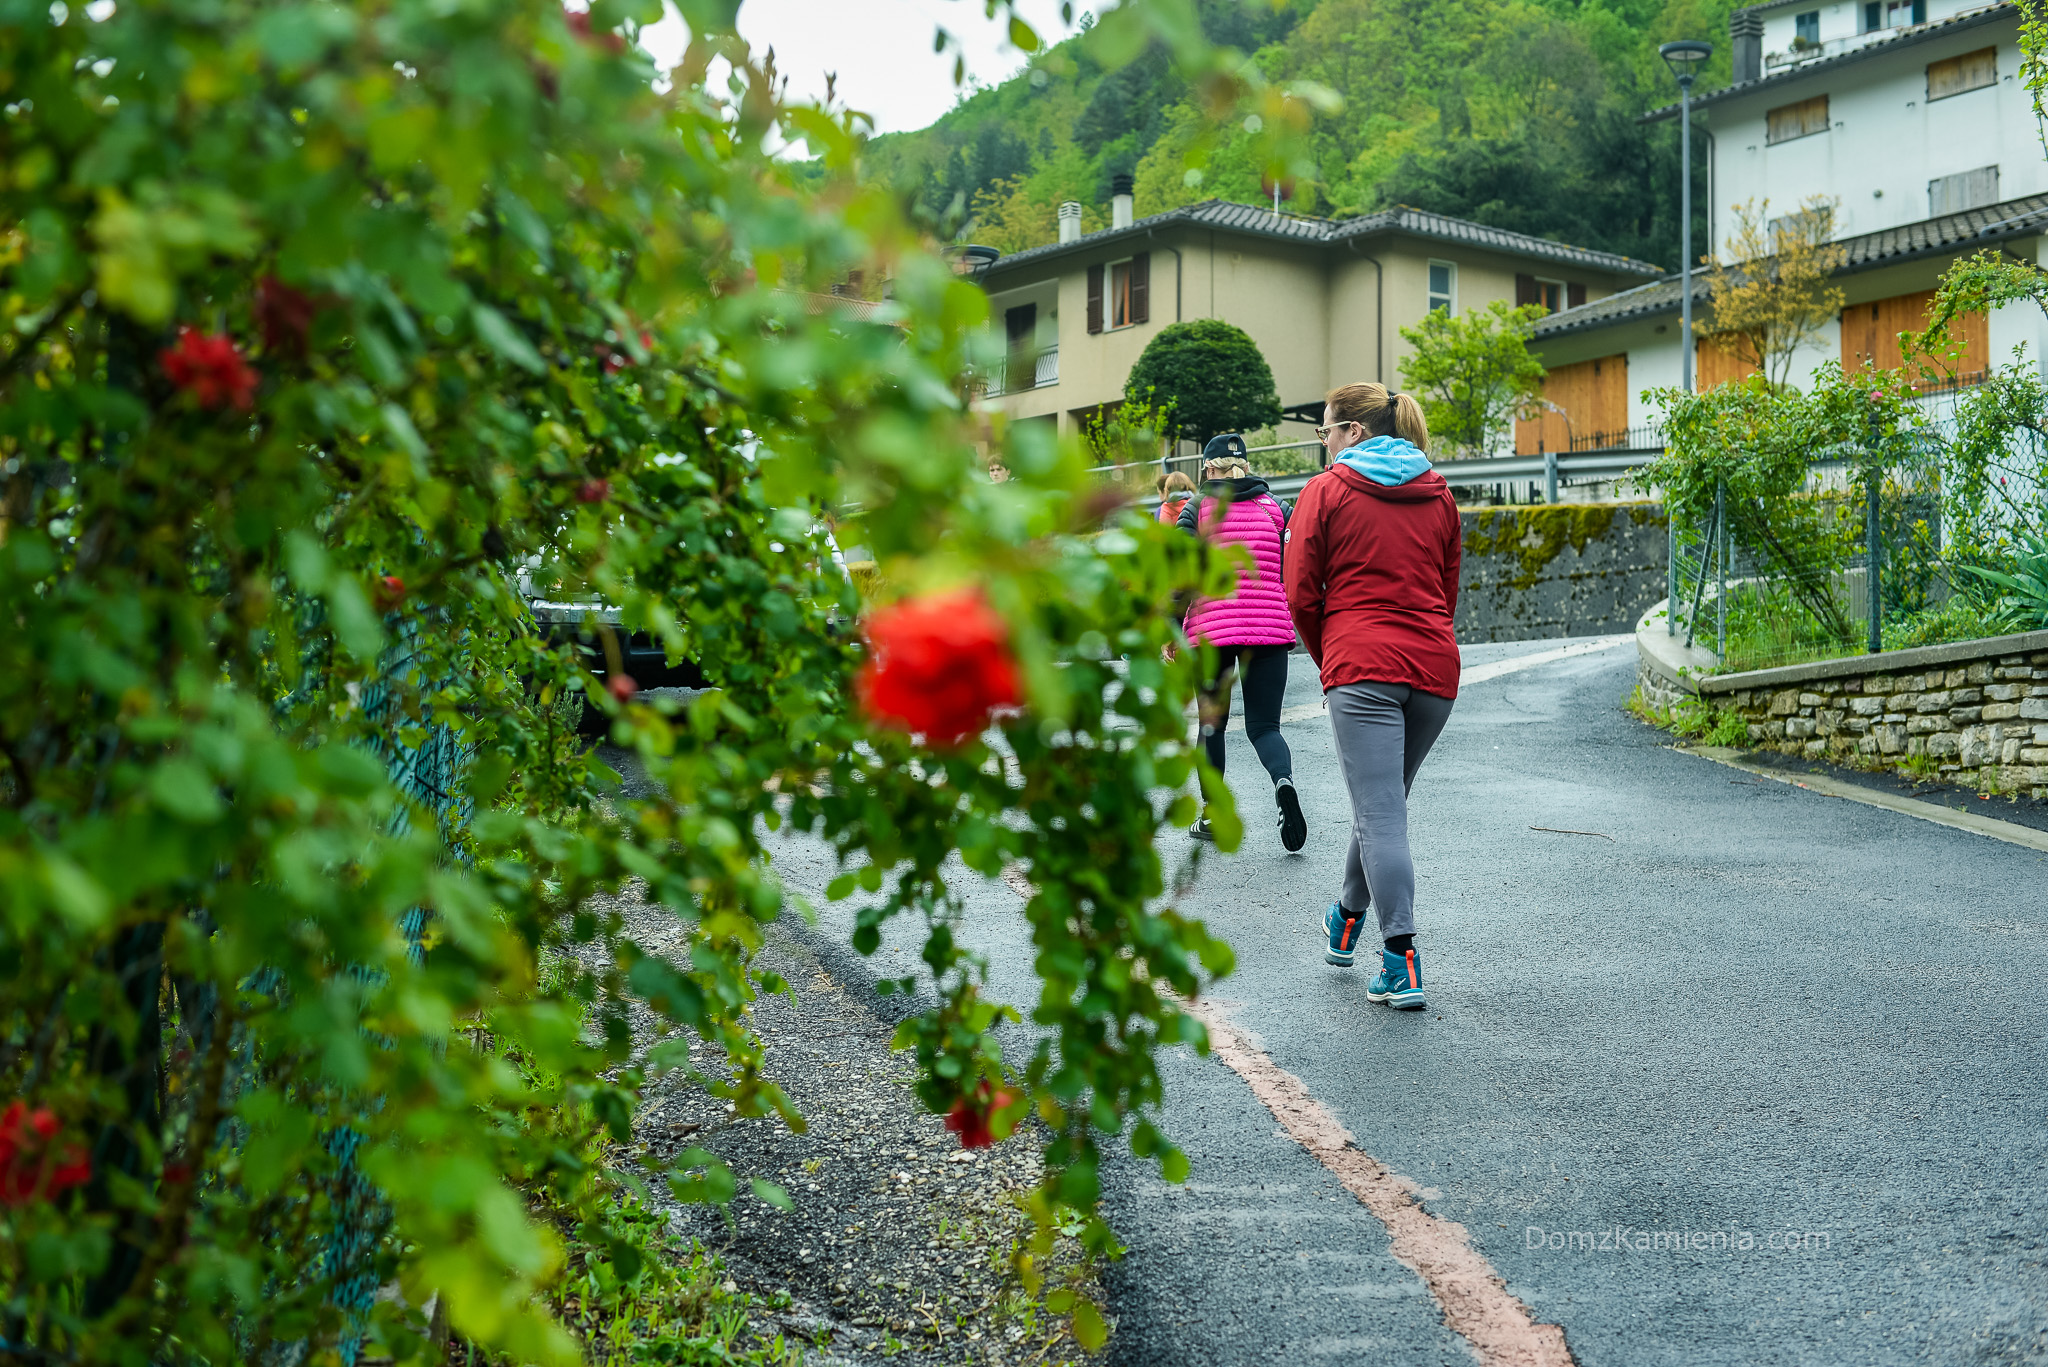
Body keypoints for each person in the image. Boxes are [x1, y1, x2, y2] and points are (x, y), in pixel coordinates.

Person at [1283, 383, 1460, 1011]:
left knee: (1381, 811)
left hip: (1362, 664)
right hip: (1434, 667)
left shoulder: (1325, 492)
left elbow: (1301, 592)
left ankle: (1401, 961)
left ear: (1354, 431)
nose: (1323, 442)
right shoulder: (1437, 490)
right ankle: (1346, 916)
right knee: (1383, 801)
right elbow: (1447, 586)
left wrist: (1330, 650)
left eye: (1326, 430)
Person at [1177, 433, 1306, 852]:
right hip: (1268, 629)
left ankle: (1213, 815)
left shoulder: (1196, 509)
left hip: (1211, 632)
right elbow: (1298, 566)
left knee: (1212, 724)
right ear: (1246, 466)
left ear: (1209, 468)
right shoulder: (1276, 509)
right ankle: (1283, 783)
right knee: (1265, 726)